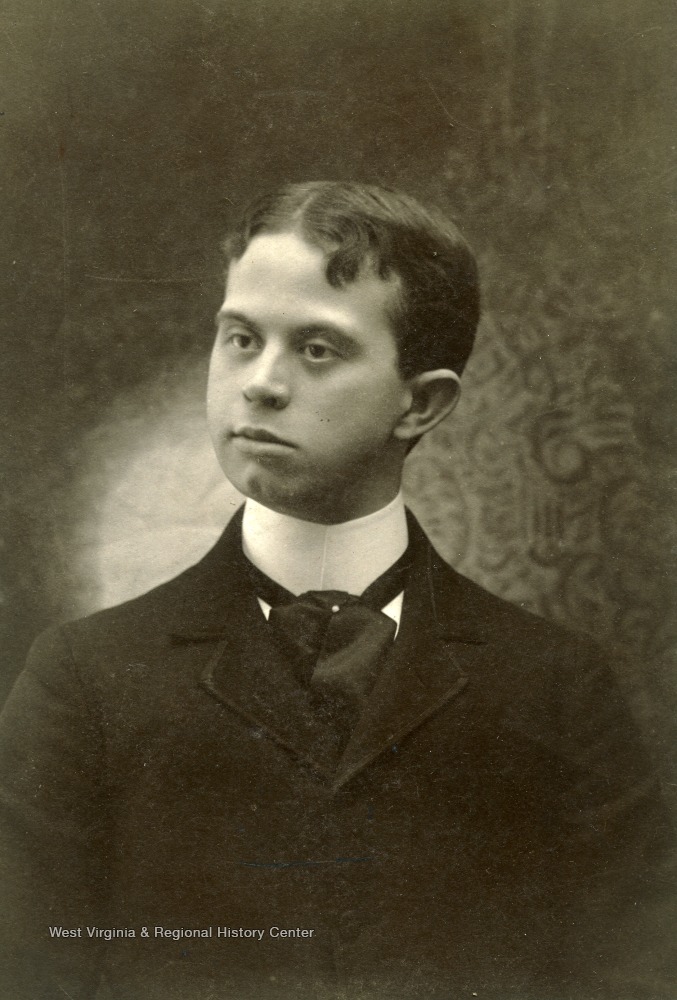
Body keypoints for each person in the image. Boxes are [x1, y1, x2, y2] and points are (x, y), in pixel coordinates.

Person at [0, 181, 673, 999]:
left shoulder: (557, 688)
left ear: (421, 403)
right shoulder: (84, 681)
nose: (260, 383)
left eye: (317, 349)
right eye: (240, 338)